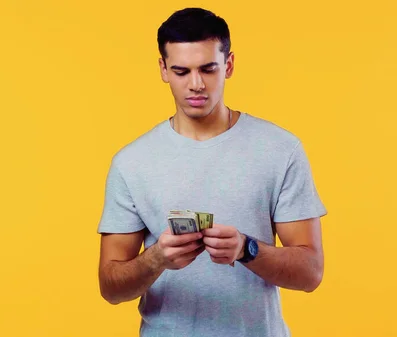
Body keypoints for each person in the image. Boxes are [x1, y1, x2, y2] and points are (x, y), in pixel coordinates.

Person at [97, 7, 328, 337]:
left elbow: (311, 272)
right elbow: (110, 286)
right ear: (163, 69)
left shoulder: (280, 149)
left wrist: (247, 249)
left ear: (229, 65)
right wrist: (156, 259)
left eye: (208, 69)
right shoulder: (131, 162)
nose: (195, 84)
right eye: (181, 71)